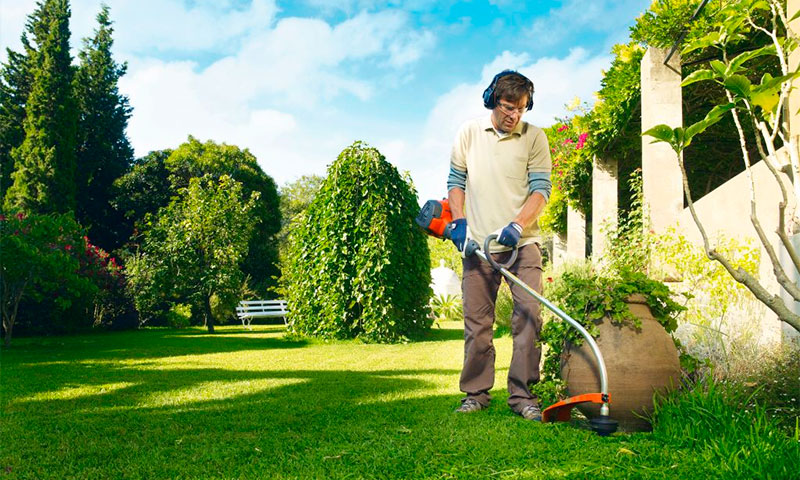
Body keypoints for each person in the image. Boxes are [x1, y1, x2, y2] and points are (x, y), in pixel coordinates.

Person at [447, 70, 551, 421]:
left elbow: (541, 189)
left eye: (521, 109)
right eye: (508, 107)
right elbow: (456, 181)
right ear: (492, 99)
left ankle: (523, 396)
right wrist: (459, 221)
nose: (514, 116)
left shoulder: (535, 137)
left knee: (529, 318)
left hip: (523, 244)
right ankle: (475, 394)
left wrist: (518, 224)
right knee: (477, 324)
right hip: (477, 246)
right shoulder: (469, 133)